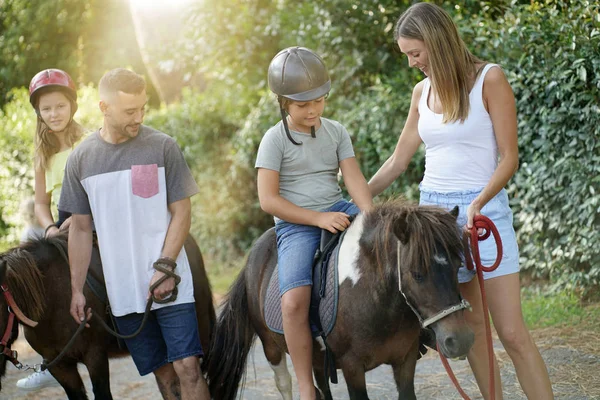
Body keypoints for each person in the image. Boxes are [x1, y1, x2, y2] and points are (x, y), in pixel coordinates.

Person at [368, 3, 553, 399]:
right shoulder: (422, 92)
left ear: (436, 42)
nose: (412, 63)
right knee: (474, 333)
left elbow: (509, 157)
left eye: (415, 53)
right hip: (435, 221)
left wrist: (480, 202)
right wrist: (360, 195)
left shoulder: (490, 79)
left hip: (481, 213)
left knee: (513, 333)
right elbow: (399, 160)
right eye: (407, 56)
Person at [59, 68, 209, 400]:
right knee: (164, 371)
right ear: (104, 107)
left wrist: (166, 266)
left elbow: (181, 212)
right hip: (124, 291)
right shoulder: (80, 160)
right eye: (130, 111)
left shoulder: (162, 146)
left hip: (171, 282)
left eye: (143, 108)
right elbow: (81, 230)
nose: (138, 117)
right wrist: (76, 290)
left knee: (188, 367)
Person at [256, 46, 373, 400]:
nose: (312, 110)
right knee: (293, 300)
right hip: (297, 224)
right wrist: (317, 218)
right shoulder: (274, 140)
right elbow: (268, 200)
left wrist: (371, 215)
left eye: (319, 101)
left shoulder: (336, 131)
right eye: (302, 104)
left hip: (338, 207)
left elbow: (353, 180)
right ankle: (307, 384)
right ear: (283, 102)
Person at [16, 68, 86, 391]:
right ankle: (50, 357)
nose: (54, 114)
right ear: (39, 113)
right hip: (60, 220)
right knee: (29, 262)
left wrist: (83, 218)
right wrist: (48, 229)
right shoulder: (42, 154)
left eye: (60, 106)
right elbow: (42, 204)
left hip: (90, 217)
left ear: (71, 106)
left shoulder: (87, 142)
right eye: (46, 109)